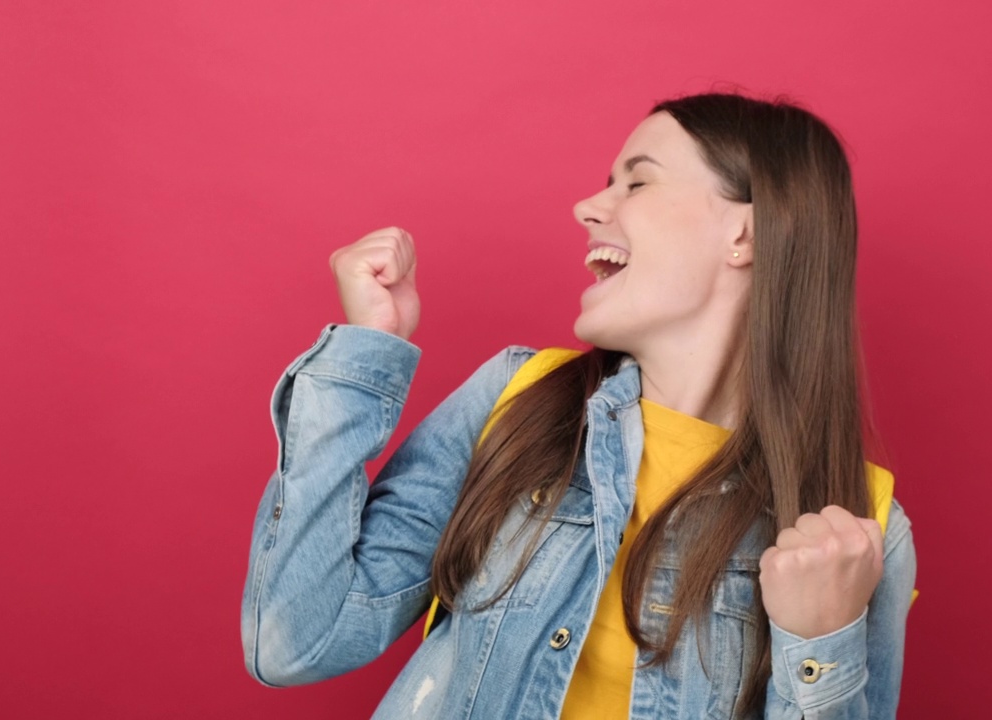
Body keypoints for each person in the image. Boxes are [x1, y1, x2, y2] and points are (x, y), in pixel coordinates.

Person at [240, 91, 917, 719]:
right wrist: (364, 354)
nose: (588, 208)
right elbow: (297, 640)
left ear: (746, 234)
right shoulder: (516, 399)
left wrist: (819, 640)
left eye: (637, 180)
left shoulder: (863, 528)